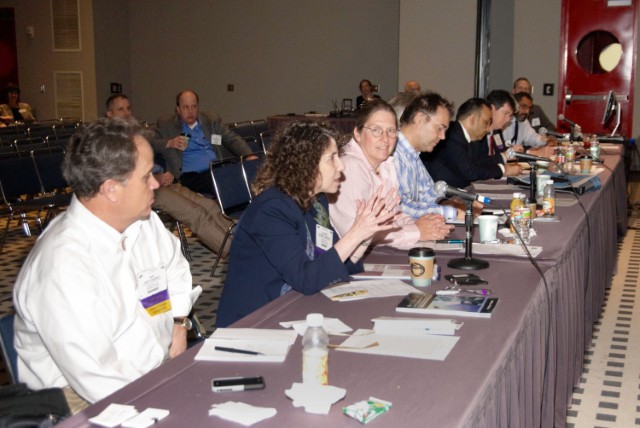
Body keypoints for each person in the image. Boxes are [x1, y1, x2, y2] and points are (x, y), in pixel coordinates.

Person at [13, 118, 196, 412]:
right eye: (146, 176)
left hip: (154, 370)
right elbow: (100, 379)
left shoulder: (142, 221)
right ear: (111, 189)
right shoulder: (63, 266)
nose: (155, 183)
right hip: (84, 402)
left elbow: (176, 268)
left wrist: (178, 323)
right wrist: (172, 399)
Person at [216, 121, 397, 327]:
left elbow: (330, 263)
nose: (341, 166)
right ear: (307, 164)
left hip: (293, 308)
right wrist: (356, 233)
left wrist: (366, 235)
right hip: (254, 323)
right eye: (332, 158)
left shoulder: (316, 202)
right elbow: (305, 279)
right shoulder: (271, 210)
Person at [106, 94, 233, 256]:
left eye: (128, 108)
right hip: (143, 190)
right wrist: (155, 178)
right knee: (196, 213)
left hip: (161, 182)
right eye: (120, 109)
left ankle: (239, 240)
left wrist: (162, 175)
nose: (126, 113)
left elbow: (152, 147)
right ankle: (232, 250)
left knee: (209, 206)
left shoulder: (133, 135)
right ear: (109, 114)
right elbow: (123, 176)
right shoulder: (110, 142)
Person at [329, 99, 453, 251]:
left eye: (391, 131)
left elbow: (395, 214)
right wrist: (416, 231)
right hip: (350, 258)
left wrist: (426, 226)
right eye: (376, 130)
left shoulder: (386, 165)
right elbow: (357, 234)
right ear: (358, 134)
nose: (385, 139)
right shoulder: (349, 168)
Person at [156, 89, 253, 194]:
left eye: (194, 107)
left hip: (217, 169)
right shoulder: (167, 125)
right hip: (191, 176)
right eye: (185, 107)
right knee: (223, 182)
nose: (190, 111)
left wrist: (248, 155)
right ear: (178, 110)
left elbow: (232, 139)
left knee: (243, 173)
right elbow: (149, 142)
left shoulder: (211, 120)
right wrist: (169, 143)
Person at [394, 92, 467, 220]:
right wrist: (452, 213)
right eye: (440, 128)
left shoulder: (413, 154)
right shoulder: (392, 153)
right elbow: (400, 208)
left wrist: (449, 204)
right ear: (419, 119)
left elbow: (428, 193)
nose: (443, 137)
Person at [425, 98, 520, 188]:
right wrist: (503, 170)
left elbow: (479, 162)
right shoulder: (452, 135)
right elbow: (470, 172)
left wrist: (502, 161)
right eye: (486, 122)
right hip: (443, 195)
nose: (488, 129)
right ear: (473, 119)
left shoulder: (468, 137)